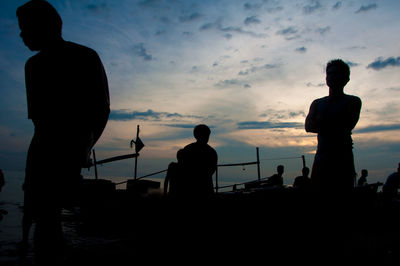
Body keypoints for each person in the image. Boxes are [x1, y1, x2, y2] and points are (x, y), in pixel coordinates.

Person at [17, 0, 110, 263]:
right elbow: (38, 120)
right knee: (37, 213)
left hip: (68, 146)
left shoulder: (85, 56)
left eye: (26, 28)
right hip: (41, 146)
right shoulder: (32, 66)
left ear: (46, 26)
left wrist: (83, 147)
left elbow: (101, 109)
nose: (21, 35)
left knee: (49, 215)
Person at [305, 59, 361, 195]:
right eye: (329, 74)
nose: (331, 77)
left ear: (346, 78)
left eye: (336, 74)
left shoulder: (353, 101)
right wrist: (333, 122)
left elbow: (347, 124)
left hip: (342, 160)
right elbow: (308, 126)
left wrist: (321, 121)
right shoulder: (317, 103)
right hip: (321, 160)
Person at [180, 124, 218, 199]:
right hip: (206, 189)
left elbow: (182, 168)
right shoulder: (211, 151)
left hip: (188, 189)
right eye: (206, 135)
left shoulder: (187, 149)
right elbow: (212, 170)